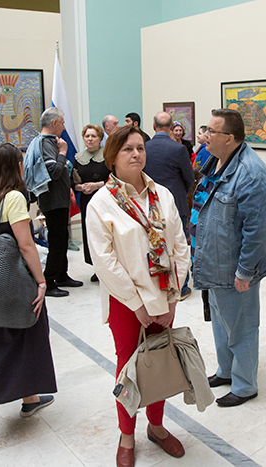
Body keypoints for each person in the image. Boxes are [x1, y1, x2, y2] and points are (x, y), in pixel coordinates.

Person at [86, 125, 190, 467]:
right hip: (125, 302)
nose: (136, 154)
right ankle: (126, 435)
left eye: (140, 148)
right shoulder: (101, 203)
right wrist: (136, 303)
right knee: (128, 369)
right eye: (127, 149)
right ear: (112, 157)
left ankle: (156, 427)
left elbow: (180, 246)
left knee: (159, 362)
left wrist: (173, 297)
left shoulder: (162, 195)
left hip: (164, 295)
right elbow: (105, 261)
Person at [0, 143, 57, 444]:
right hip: (16, 283)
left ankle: (30, 398)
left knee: (20, 338)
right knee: (16, 344)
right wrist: (41, 282)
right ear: (17, 167)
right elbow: (25, 245)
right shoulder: (15, 197)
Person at [191, 109, 266, 407]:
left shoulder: (252, 174)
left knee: (242, 326)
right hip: (214, 261)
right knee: (220, 322)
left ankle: (244, 385)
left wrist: (245, 271)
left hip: (234, 267)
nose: (205, 135)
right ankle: (226, 370)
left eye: (211, 131)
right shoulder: (215, 160)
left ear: (229, 138)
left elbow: (258, 229)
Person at [29, 107, 83, 297]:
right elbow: (55, 172)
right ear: (54, 123)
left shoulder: (50, 142)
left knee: (62, 238)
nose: (63, 127)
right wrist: (63, 152)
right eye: (62, 123)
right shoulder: (46, 144)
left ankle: (61, 275)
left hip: (59, 199)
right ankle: (50, 280)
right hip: (52, 201)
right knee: (56, 241)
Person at [144, 112, 196, 299]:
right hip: (175, 203)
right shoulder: (179, 149)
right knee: (178, 246)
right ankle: (181, 287)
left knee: (153, 244)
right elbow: (189, 178)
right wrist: (180, 192)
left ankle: (159, 283)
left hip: (150, 203)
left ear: (153, 126)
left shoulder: (144, 147)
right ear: (171, 127)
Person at [73, 124, 110, 282]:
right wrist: (80, 187)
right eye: (87, 136)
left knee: (104, 233)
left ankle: (107, 268)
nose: (90, 139)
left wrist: (97, 185)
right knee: (90, 233)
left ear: (100, 138)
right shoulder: (78, 158)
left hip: (104, 200)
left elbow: (114, 179)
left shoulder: (107, 156)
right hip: (86, 201)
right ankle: (96, 267)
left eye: (93, 136)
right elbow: (73, 182)